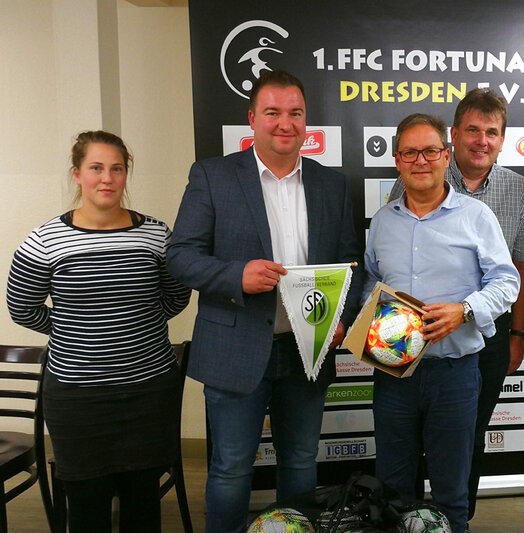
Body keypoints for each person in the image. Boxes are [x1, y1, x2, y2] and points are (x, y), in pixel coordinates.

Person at [166, 70, 363, 533]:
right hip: (234, 349)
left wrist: (341, 316)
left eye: (295, 113)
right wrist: (237, 275)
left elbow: (350, 264)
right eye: (273, 112)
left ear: (306, 121)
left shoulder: (332, 185)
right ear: (252, 118)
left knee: (300, 462)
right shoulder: (213, 176)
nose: (285, 123)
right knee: (232, 468)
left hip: (306, 349)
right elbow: (180, 257)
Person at [6, 130, 191, 533]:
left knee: (143, 507)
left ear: (126, 174)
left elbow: (177, 296)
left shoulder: (157, 235)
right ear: (77, 174)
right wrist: (73, 330)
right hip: (78, 400)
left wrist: (135, 324)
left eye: (116, 169)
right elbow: (21, 307)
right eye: (96, 168)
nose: (107, 178)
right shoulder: (45, 241)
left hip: (147, 393)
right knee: (87, 510)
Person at [364, 113, 520, 533]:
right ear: (397, 160)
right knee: (393, 491)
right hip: (394, 374)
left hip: (455, 375)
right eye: (410, 152)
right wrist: (371, 321)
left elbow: (507, 282)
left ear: (446, 156)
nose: (421, 160)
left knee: (451, 494)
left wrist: (464, 309)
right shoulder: (383, 221)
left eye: (430, 151)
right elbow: (371, 282)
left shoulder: (476, 216)